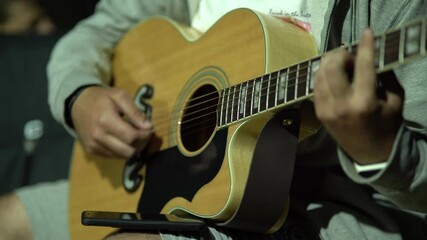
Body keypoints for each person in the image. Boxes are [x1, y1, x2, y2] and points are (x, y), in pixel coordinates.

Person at [2, 0, 427, 239]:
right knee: (9, 219)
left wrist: (379, 150)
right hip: (152, 177)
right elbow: (98, 31)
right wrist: (80, 96)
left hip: (306, 214)